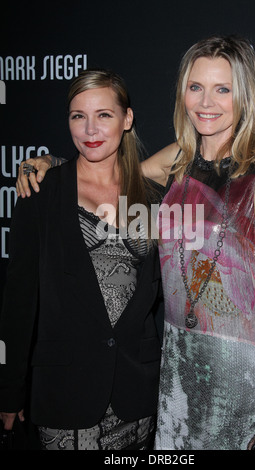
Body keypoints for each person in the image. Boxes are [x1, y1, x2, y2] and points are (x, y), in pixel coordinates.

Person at [13, 36, 255, 450]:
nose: (207, 101)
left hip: (240, 372)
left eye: (223, 89)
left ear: (246, 95)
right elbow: (108, 174)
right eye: (196, 87)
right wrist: (52, 166)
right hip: (177, 370)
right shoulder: (179, 161)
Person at [0, 69, 164, 450]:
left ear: (127, 119)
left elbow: (193, 146)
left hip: (135, 391)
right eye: (78, 116)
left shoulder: (151, 196)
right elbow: (19, 301)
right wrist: (9, 389)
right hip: (65, 392)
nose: (89, 128)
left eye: (104, 115)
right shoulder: (41, 192)